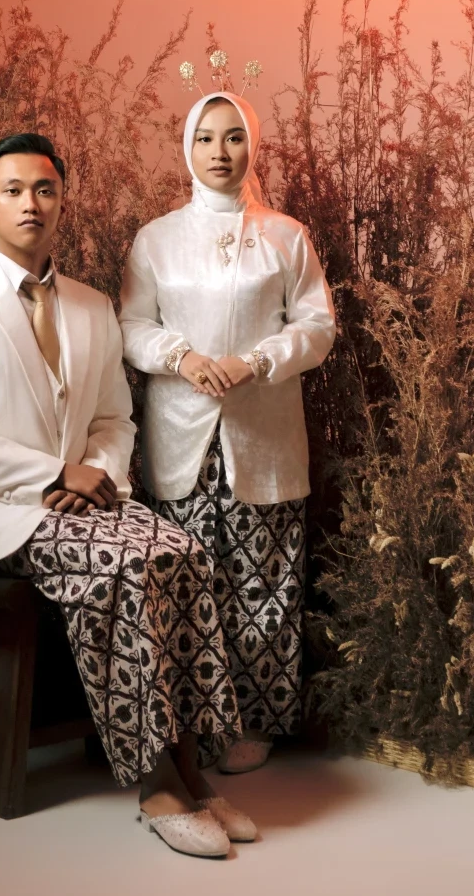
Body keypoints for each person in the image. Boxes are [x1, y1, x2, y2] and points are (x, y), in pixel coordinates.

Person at [0, 131, 256, 857]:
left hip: (89, 505)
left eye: (45, 189)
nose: (30, 203)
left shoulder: (93, 306)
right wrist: (51, 475)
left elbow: (113, 420)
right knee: (127, 566)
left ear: (61, 201)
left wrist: (93, 476)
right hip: (2, 514)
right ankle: (157, 786)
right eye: (12, 191)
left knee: (183, 552)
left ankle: (195, 768)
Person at [119, 92, 336, 774]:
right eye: (206, 138)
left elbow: (318, 326)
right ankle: (188, 725)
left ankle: (257, 724)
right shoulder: (155, 239)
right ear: (187, 147)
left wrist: (257, 360)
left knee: (262, 583)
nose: (220, 152)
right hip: (181, 433)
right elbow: (131, 325)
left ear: (252, 145)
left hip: (262, 434)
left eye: (234, 137)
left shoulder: (286, 236)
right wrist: (180, 356)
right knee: (185, 584)